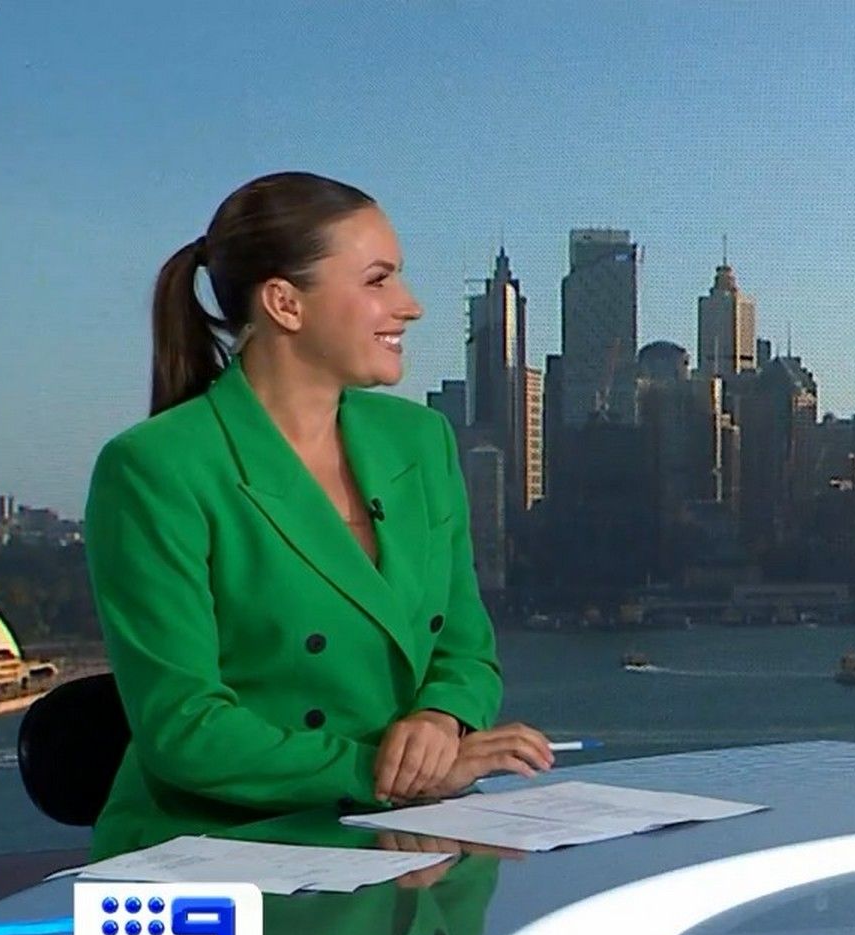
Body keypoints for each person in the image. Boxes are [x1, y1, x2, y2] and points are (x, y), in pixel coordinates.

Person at [83, 171, 553, 858]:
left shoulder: (421, 441)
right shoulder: (153, 468)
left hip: (407, 839)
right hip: (212, 860)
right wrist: (384, 774)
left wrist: (440, 717)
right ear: (285, 303)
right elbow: (185, 730)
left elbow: (463, 647)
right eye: (378, 280)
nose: (410, 306)